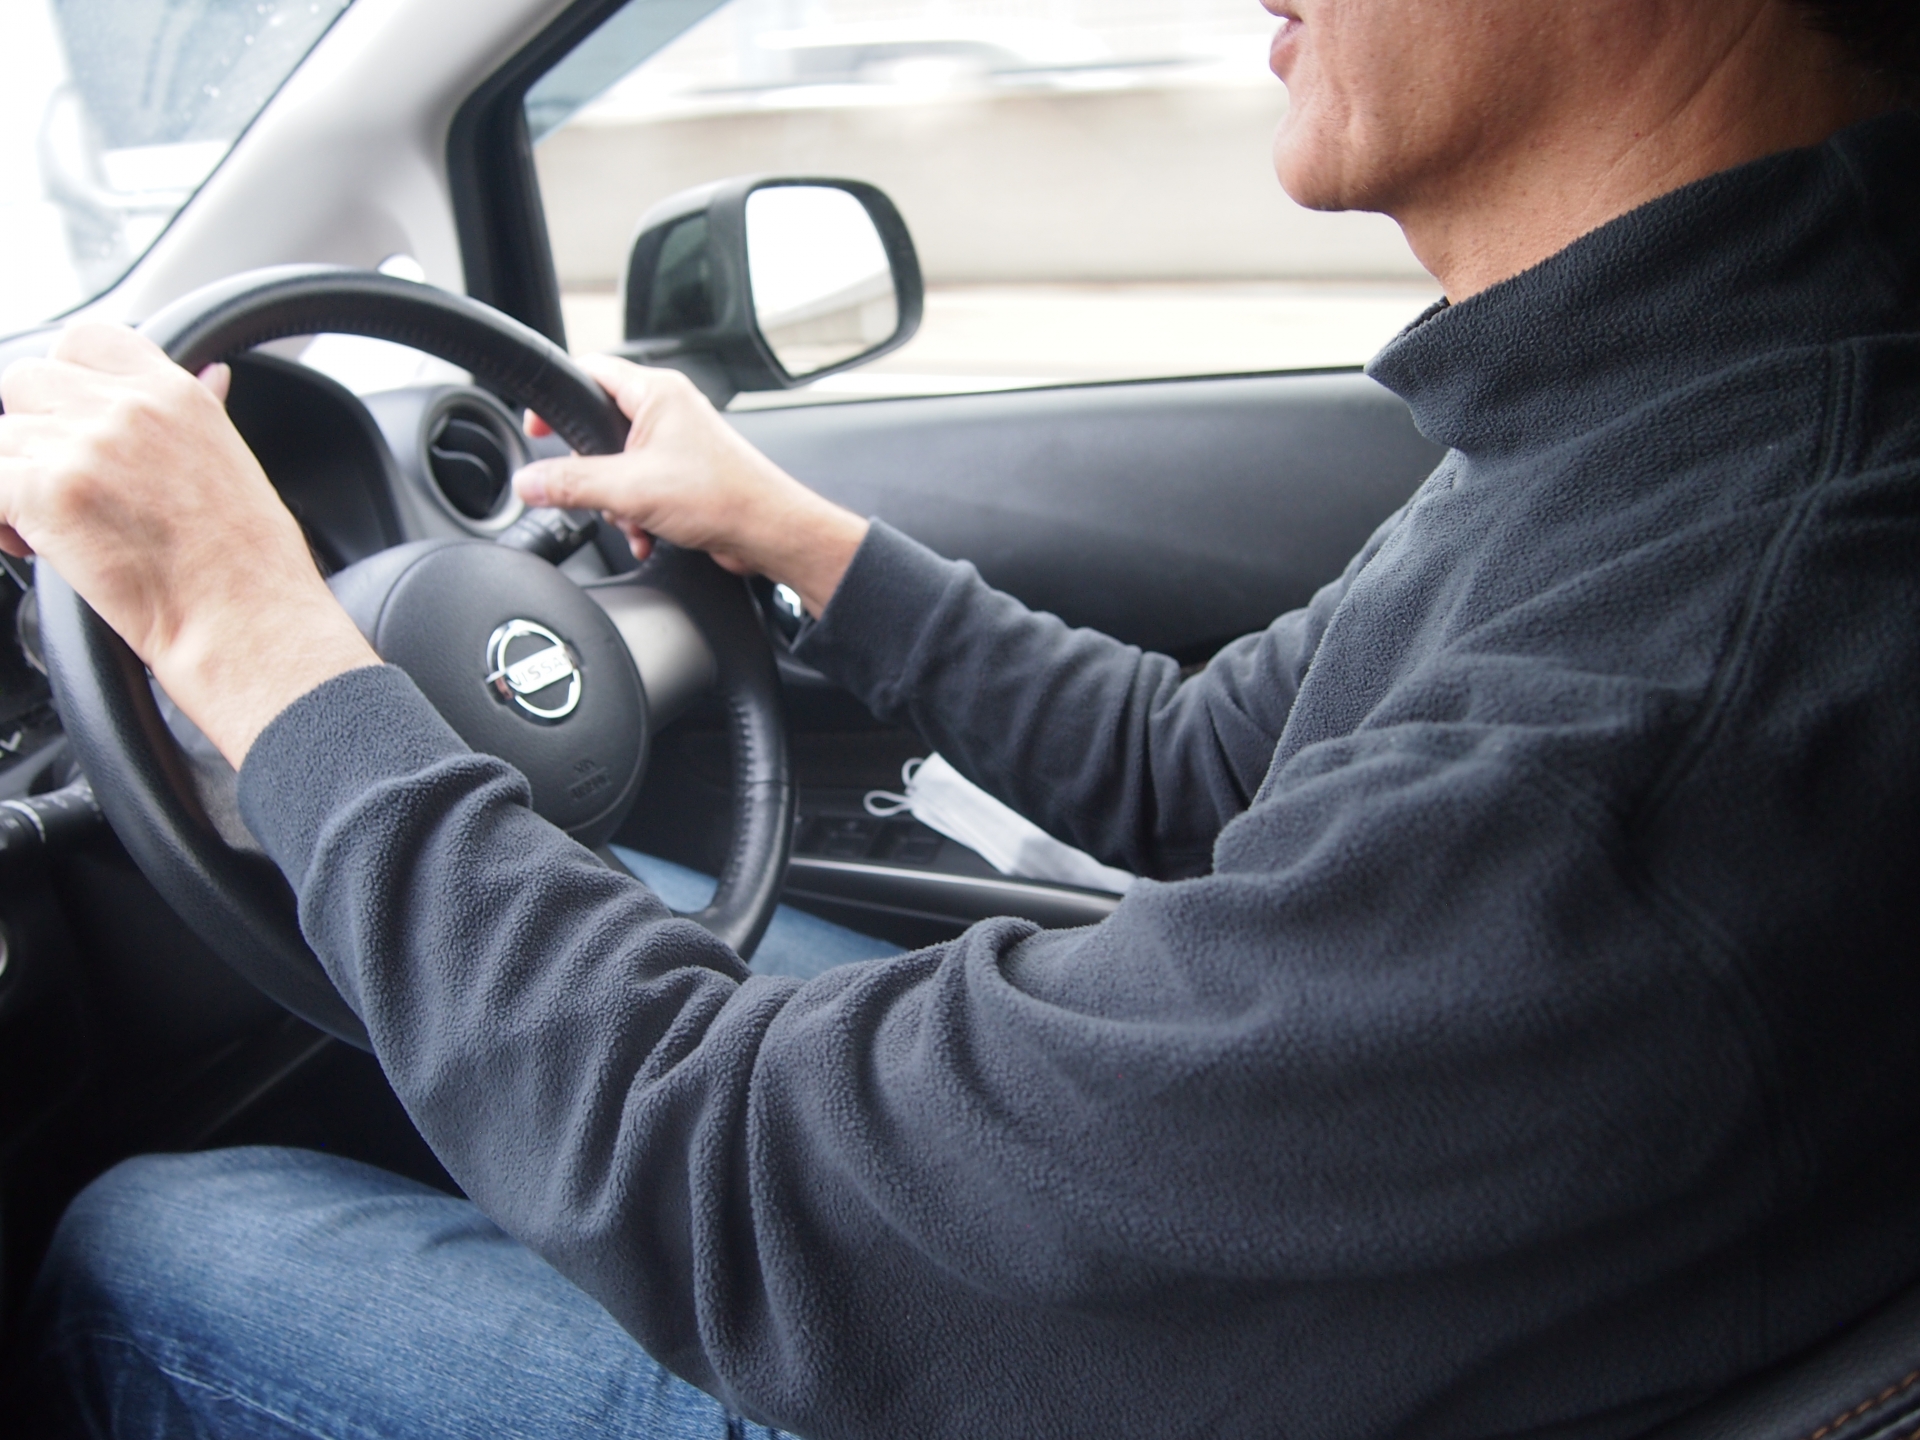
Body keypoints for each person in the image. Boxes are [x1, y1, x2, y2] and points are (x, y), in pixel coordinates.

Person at [5, 0, 1919, 1436]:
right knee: (663, 923)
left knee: (149, 1242)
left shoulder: (1683, 685)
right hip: (1351, 1304)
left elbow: (753, 1187)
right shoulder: (1667, 424)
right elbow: (1199, 768)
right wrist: (797, 536)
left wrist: (257, 646)